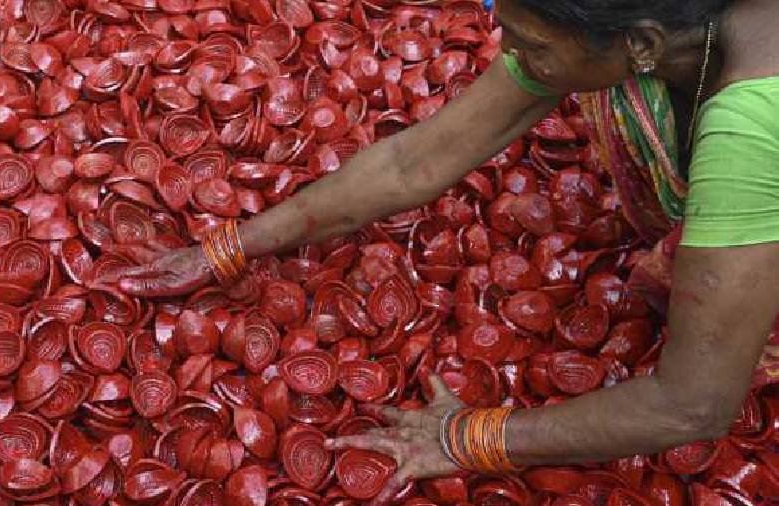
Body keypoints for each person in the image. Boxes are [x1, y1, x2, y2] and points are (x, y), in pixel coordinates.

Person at [115, 0, 779, 502]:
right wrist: (231, 247)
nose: (507, 48)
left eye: (531, 43)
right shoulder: (658, 19)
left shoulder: (752, 120)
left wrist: (467, 438)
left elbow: (696, 403)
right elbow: (415, 161)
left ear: (640, 43)